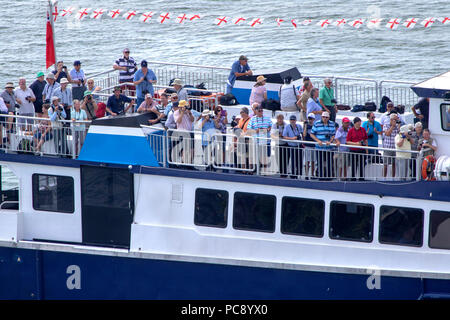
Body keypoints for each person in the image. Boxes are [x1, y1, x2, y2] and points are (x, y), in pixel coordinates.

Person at [310, 111, 338, 180]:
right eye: (323, 117)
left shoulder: (332, 124)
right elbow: (312, 134)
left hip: (329, 148)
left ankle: (328, 177)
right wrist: (318, 141)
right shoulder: (317, 123)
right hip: (319, 147)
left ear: (328, 118)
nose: (325, 118)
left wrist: (330, 141)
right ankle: (321, 177)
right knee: (320, 163)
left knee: (329, 163)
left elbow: (333, 134)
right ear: (321, 117)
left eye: (326, 117)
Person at [383, 113, 401, 178]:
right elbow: (387, 133)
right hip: (387, 148)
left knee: (394, 164)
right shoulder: (386, 125)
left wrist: (398, 126)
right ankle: (384, 178)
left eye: (397, 119)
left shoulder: (397, 126)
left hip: (395, 148)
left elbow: (400, 134)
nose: (396, 121)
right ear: (391, 119)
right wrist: (392, 126)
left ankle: (393, 178)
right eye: (394, 120)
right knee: (386, 164)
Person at [303, 113, 317, 179]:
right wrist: (305, 125)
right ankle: (306, 174)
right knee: (307, 161)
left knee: (313, 161)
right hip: (308, 145)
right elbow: (304, 134)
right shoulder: (306, 126)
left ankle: (312, 174)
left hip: (314, 145)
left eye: (311, 119)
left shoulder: (315, 126)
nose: (310, 120)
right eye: (309, 118)